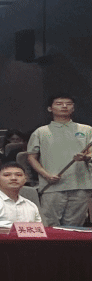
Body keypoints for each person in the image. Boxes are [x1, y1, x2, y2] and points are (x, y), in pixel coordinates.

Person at [25, 94, 91, 227]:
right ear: (50, 108)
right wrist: (46, 175)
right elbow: (31, 157)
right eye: (59, 104)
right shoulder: (41, 132)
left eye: (69, 104)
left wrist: (85, 157)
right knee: (50, 226)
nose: (64, 106)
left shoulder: (87, 129)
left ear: (73, 108)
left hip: (81, 185)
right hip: (52, 186)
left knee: (74, 227)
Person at [0, 161, 42, 227]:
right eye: (7, 175)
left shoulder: (31, 206)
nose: (13, 178)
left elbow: (39, 231)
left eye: (19, 175)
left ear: (25, 179)